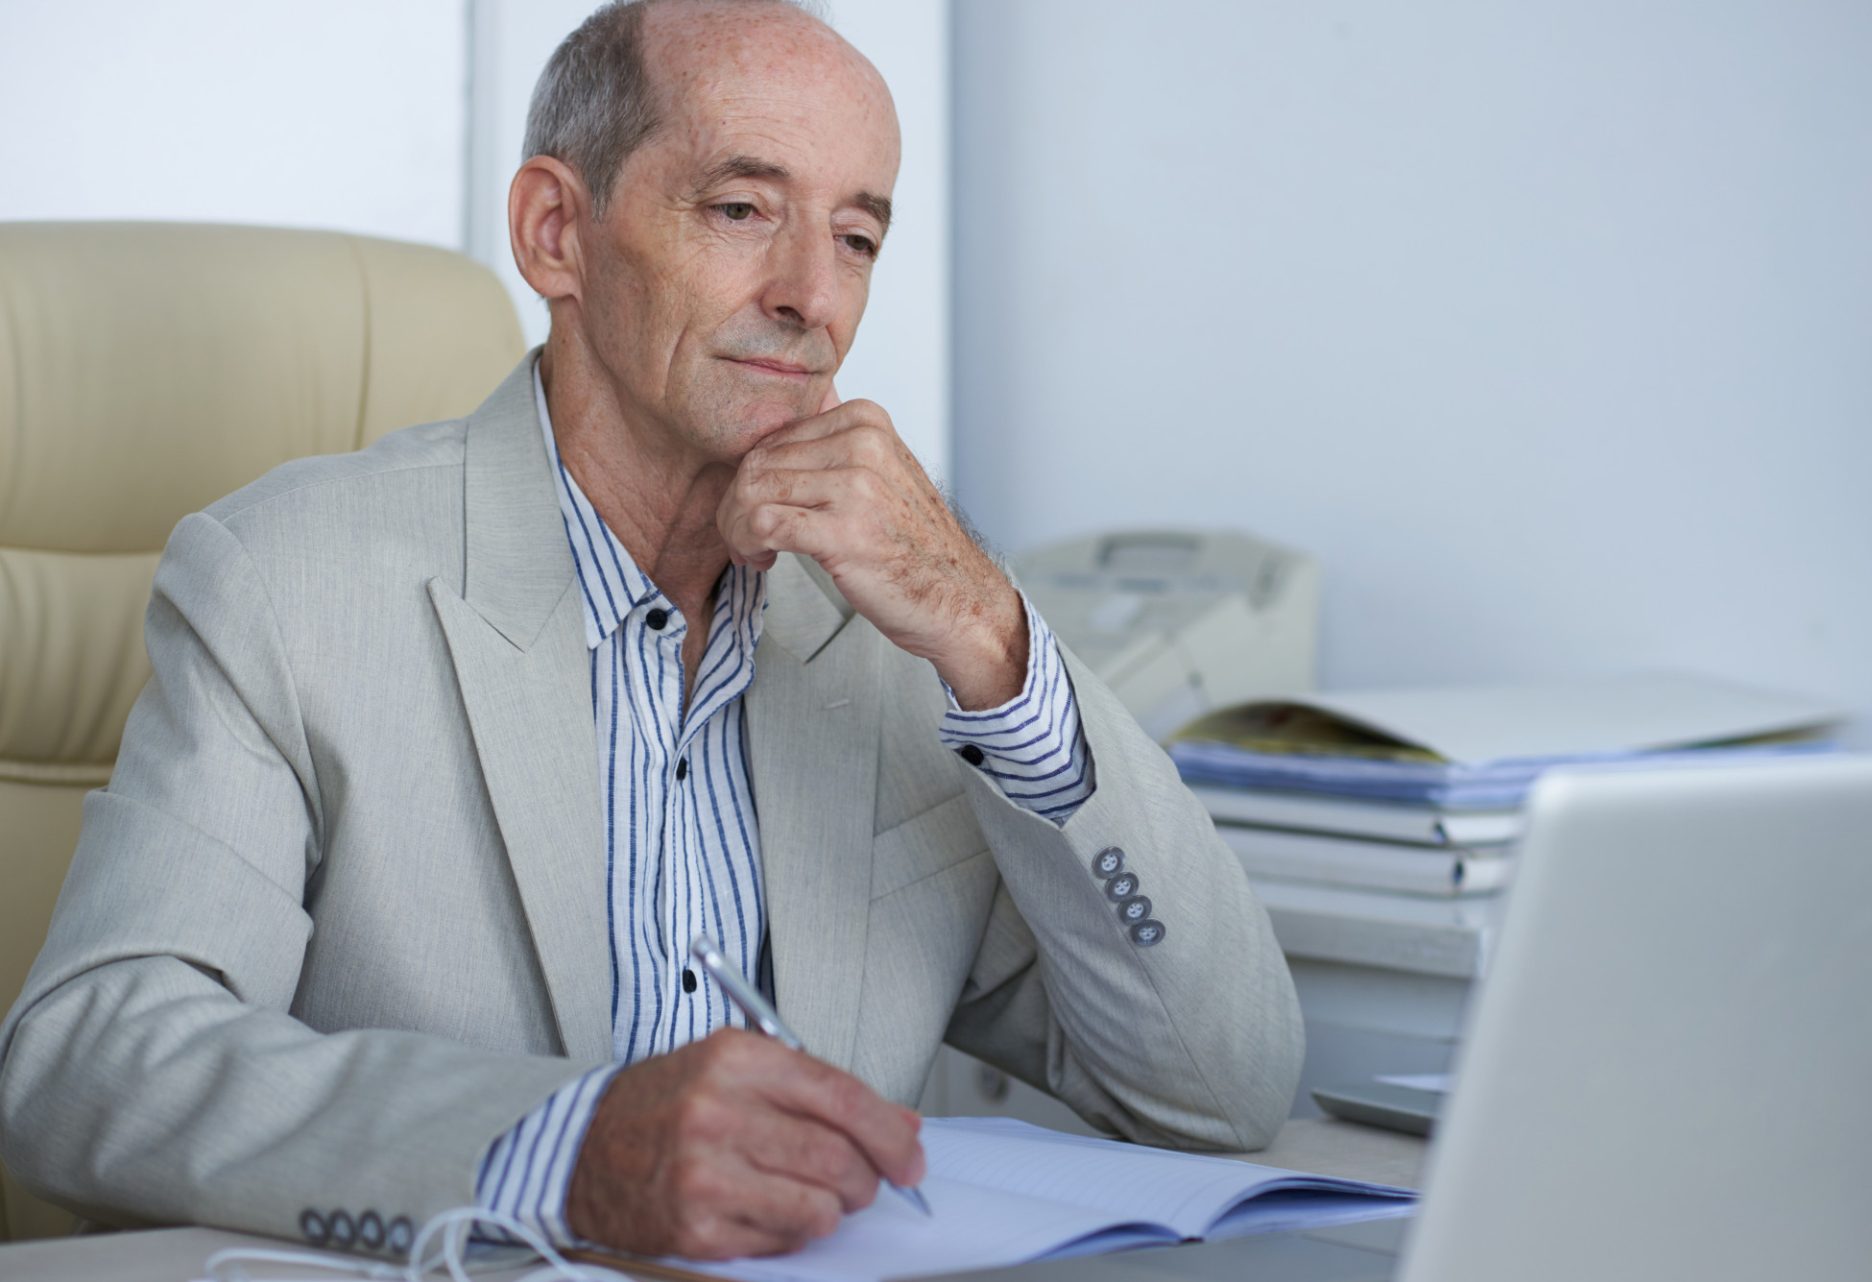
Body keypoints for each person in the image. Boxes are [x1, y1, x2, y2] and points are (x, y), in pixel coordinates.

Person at [0, 0, 1300, 1263]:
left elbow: (1221, 1086)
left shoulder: (908, 623)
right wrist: (560, 1148)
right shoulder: (288, 582)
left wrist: (996, 644)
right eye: (741, 208)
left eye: (856, 237)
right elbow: (90, 1057)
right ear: (557, 230)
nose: (811, 295)